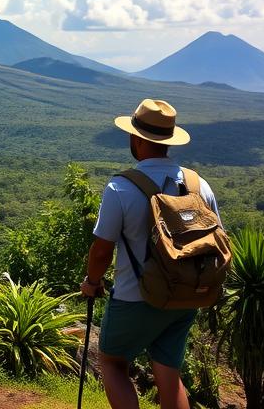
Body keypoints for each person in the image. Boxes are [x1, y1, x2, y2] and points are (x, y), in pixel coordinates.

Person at [81, 99, 220, 409]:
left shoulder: (120, 187)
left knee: (114, 363)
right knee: (168, 373)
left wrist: (92, 281)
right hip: (186, 296)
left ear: (136, 139)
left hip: (135, 297)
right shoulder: (200, 185)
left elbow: (102, 250)